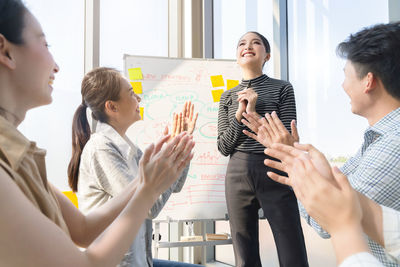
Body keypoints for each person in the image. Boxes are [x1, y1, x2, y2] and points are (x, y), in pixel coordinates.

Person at [0, 1, 195, 266]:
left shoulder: (24, 158)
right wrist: (148, 186)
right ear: (6, 51)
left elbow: (83, 230)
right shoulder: (97, 147)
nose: (56, 66)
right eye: (45, 45)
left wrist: (171, 156)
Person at [243, 22, 400, 266]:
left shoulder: (392, 144)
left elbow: (330, 217)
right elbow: (340, 190)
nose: (343, 86)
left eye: (346, 76)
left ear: (368, 81)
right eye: (242, 43)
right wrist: (293, 155)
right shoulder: (378, 137)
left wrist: (291, 157)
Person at [67, 67, 199, 267]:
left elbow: (175, 185)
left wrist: (181, 145)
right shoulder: (101, 148)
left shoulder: (131, 149)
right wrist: (172, 154)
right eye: (131, 93)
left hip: (141, 261)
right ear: (112, 107)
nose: (138, 98)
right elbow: (149, 207)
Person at [217, 31, 308, 267]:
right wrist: (240, 116)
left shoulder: (283, 88)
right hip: (237, 171)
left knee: (291, 247)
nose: (248, 46)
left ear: (266, 55)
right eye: (242, 43)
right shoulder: (227, 96)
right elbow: (224, 147)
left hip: (274, 167)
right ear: (237, 56)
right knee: (243, 251)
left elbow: (287, 139)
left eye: (255, 42)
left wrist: (255, 113)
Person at [263, 142, 400, 267]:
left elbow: (324, 226)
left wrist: (343, 226)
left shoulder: (392, 143)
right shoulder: (373, 141)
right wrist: (322, 181)